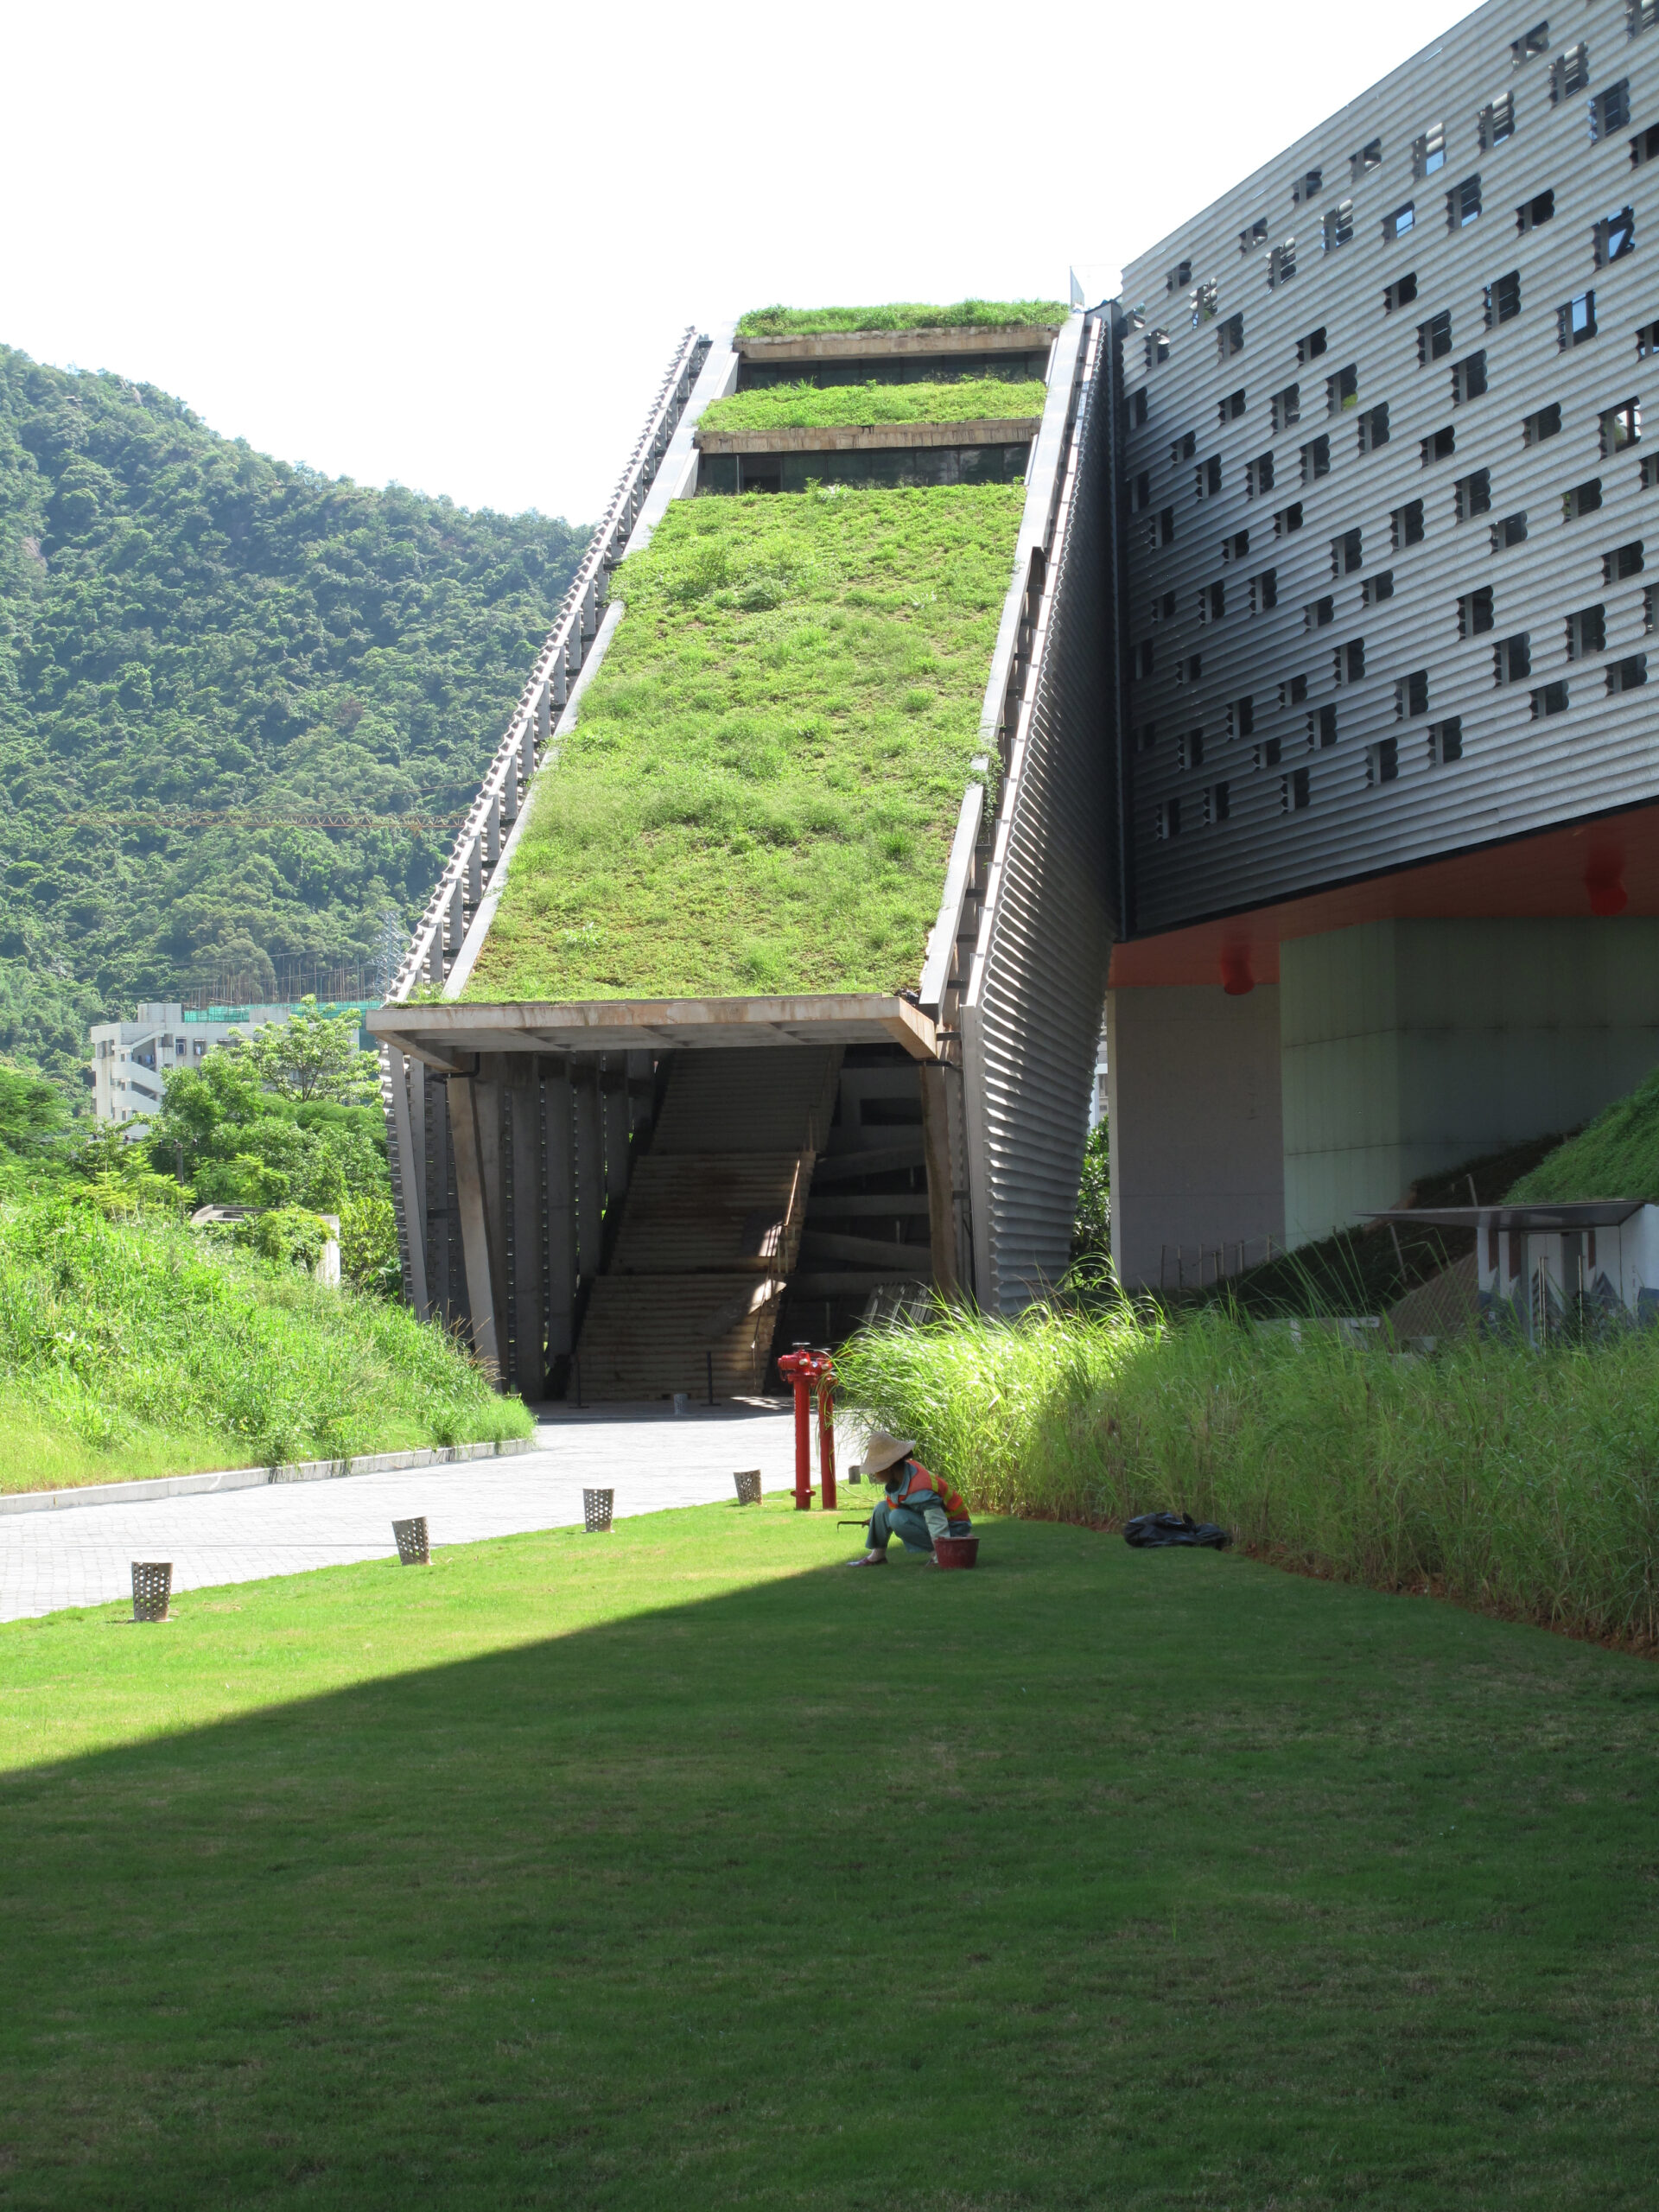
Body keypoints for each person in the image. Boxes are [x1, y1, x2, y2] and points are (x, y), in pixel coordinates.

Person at [845, 1429, 971, 1567]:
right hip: (938, 1521)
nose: (874, 1474)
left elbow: (937, 1522)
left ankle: (937, 1555)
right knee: (882, 1509)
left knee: (896, 1518)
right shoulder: (903, 1474)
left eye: (876, 1469)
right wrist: (877, 1520)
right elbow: (896, 1503)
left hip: (954, 1527)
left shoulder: (921, 1488)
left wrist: (943, 1555)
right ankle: (878, 1556)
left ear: (888, 1468)